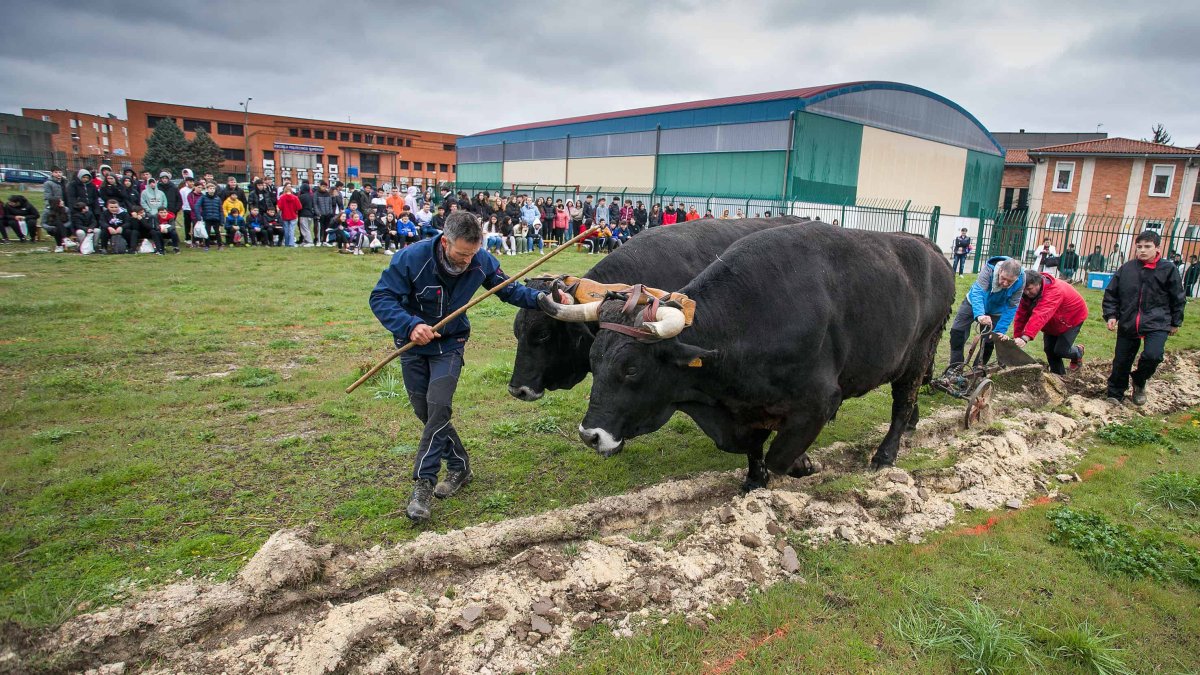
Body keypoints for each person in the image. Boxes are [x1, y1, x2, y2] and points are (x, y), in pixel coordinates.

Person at [368, 212, 550, 522]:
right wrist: (411, 325)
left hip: (450, 345)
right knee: (425, 411)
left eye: (472, 254)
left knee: (438, 406)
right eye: (461, 254)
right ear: (445, 242)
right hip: (412, 345)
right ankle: (460, 465)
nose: (467, 261)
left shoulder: (481, 260)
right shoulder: (412, 259)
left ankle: (423, 484)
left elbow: (508, 290)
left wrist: (543, 298)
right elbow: (381, 297)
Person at [1103, 230, 1185, 406]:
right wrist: (1111, 315)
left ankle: (1139, 380)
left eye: (1147, 247)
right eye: (1139, 247)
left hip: (1158, 320)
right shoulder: (1127, 268)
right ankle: (1115, 394)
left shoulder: (1168, 269)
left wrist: (1175, 321)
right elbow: (1112, 294)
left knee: (1153, 355)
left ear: (1157, 248)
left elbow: (1178, 296)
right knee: (1122, 360)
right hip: (1129, 320)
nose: (1142, 250)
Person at [948, 256, 1025, 366]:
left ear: (1017, 278)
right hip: (973, 302)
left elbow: (1012, 306)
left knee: (990, 340)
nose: (1005, 283)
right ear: (1000, 270)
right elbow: (978, 292)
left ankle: (978, 369)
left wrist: (1000, 330)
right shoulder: (988, 270)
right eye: (1003, 278)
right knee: (957, 332)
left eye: (1010, 281)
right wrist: (980, 314)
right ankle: (955, 367)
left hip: (996, 309)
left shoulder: (1021, 279)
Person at [1007, 271, 1088, 375]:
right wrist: (1017, 337)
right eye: (1024, 289)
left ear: (1038, 284)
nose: (1026, 292)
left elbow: (1041, 314)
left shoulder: (1054, 290)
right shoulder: (1026, 295)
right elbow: (1021, 315)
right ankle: (1059, 376)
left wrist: (1025, 337)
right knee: (1049, 350)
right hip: (1052, 321)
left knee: (1060, 350)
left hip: (1072, 318)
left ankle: (1078, 352)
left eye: (1029, 289)